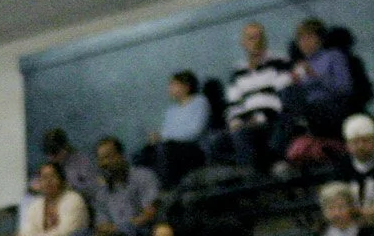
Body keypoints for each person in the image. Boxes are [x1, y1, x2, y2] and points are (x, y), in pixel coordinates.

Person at [219, 20, 293, 169]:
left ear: (264, 40)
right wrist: (235, 120)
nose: (256, 42)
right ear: (243, 43)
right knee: (218, 140)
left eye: (259, 37)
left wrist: (258, 118)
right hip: (246, 121)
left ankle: (251, 181)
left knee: (243, 134)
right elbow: (233, 103)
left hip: (272, 119)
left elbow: (282, 97)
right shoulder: (237, 71)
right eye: (251, 38)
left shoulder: (280, 61)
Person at [277, 17, 354, 146]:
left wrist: (314, 76)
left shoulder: (333, 56)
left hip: (331, 107)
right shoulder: (299, 65)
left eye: (309, 37)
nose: (304, 42)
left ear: (320, 38)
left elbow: (344, 88)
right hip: (307, 110)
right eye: (300, 39)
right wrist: (293, 80)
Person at [86, 136, 159, 236]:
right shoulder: (102, 193)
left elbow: (149, 214)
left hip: (143, 234)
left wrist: (121, 229)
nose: (104, 164)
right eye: (101, 159)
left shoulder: (144, 176)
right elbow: (101, 225)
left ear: (121, 156)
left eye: (108, 157)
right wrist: (116, 231)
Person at [148, 69, 210, 186]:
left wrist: (163, 136)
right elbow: (166, 132)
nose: (169, 88)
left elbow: (195, 131)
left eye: (173, 84)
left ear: (186, 86)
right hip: (171, 146)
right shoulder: (171, 110)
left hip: (193, 147)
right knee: (144, 153)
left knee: (165, 149)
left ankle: (169, 187)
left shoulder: (200, 102)